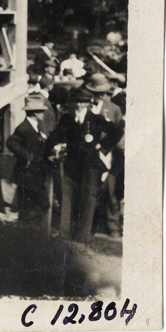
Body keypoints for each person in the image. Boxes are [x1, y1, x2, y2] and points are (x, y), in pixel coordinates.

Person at [47, 85, 122, 243]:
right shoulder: (67, 118)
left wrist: (102, 146)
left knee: (87, 199)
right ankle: (68, 234)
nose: (79, 105)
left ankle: (84, 236)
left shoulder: (95, 119)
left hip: (90, 165)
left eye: (83, 102)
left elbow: (117, 131)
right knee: (71, 197)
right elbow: (57, 133)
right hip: (71, 164)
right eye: (77, 102)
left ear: (89, 103)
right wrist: (53, 144)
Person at [5, 95, 52, 228]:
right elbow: (11, 142)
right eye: (41, 111)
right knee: (36, 207)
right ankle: (26, 235)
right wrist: (28, 157)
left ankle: (28, 235)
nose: (43, 113)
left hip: (34, 175)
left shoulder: (34, 127)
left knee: (35, 207)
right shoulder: (24, 128)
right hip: (28, 175)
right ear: (36, 112)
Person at [87, 74, 124, 237]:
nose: (98, 96)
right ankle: (91, 225)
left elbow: (117, 133)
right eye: (95, 92)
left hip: (108, 155)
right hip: (90, 154)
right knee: (90, 190)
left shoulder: (114, 109)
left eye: (101, 92)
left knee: (110, 191)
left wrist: (104, 149)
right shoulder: (86, 108)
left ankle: (113, 226)